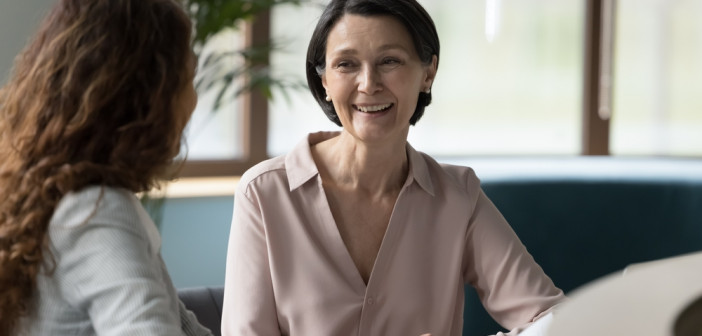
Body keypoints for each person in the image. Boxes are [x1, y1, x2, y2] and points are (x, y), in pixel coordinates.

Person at [222, 0, 565, 335]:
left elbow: (553, 317)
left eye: (389, 61)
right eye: (346, 64)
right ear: (325, 80)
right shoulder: (264, 194)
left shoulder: (459, 197)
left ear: (427, 73)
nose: (369, 84)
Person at [0, 0, 212, 335]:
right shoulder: (95, 210)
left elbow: (181, 323)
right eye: (189, 77)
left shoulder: (53, 196)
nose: (193, 100)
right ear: (150, 97)